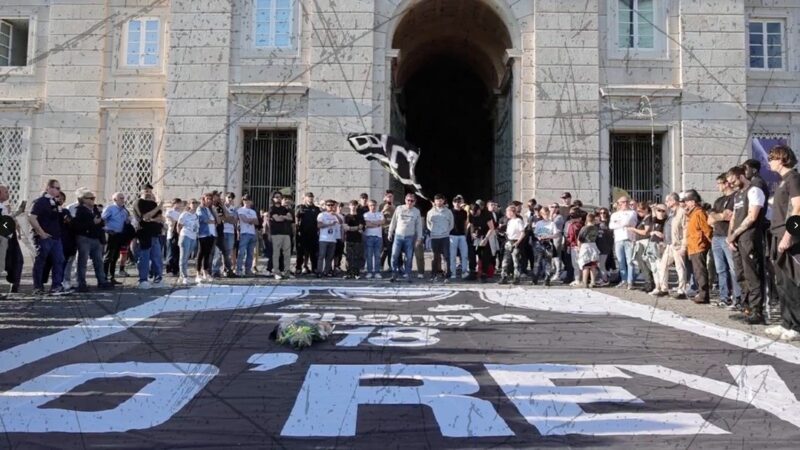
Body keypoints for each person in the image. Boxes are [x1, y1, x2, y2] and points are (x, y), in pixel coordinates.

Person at [765, 144, 800, 341]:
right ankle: (786, 321)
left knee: (791, 281)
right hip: (776, 234)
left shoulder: (793, 178)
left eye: (772, 157)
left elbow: (798, 208)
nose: (769, 161)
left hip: (788, 237)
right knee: (781, 282)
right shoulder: (782, 181)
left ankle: (796, 325)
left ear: (782, 159)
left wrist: (788, 236)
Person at [727, 165, 767, 323]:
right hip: (737, 239)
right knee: (740, 274)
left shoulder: (754, 190)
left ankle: (757, 311)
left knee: (753, 275)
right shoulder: (738, 195)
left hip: (750, 237)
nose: (732, 185)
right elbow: (734, 216)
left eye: (733, 181)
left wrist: (736, 233)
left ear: (741, 176)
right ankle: (747, 308)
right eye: (729, 183)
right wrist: (730, 236)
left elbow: (752, 216)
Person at [28, 179, 69, 296]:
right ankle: (38, 287)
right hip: (44, 237)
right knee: (41, 261)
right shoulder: (40, 201)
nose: (58, 191)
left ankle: (56, 286)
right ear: (48, 188)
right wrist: (41, 233)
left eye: (59, 188)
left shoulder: (55, 203)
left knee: (59, 261)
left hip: (56, 237)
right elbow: (32, 217)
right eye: (56, 188)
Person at [707, 174, 741, 307]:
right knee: (720, 269)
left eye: (719, 183)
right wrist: (720, 215)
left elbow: (733, 217)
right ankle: (724, 297)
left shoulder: (735, 197)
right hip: (716, 236)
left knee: (733, 268)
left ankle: (737, 297)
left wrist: (717, 216)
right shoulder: (719, 200)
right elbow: (710, 219)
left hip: (728, 236)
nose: (718, 186)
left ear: (726, 183)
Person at [72, 190, 113, 292]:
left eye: (93, 198)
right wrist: (92, 222)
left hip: (96, 238)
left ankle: (102, 281)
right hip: (84, 238)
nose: (93, 200)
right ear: (83, 200)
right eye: (90, 198)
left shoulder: (95, 209)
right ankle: (81, 283)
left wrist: (100, 221)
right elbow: (77, 225)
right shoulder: (80, 210)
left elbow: (101, 222)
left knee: (98, 261)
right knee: (82, 261)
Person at [654, 193, 689, 298]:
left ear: (673, 201)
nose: (666, 203)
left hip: (677, 244)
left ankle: (682, 290)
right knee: (663, 265)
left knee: (680, 267)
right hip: (669, 244)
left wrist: (684, 245)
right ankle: (664, 289)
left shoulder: (682, 212)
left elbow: (685, 229)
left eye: (667, 201)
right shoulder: (670, 213)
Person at [683, 190, 713, 304]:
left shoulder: (699, 213)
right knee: (697, 271)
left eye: (687, 201)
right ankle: (701, 293)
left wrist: (711, 242)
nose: (686, 204)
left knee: (700, 272)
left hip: (699, 246)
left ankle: (704, 295)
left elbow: (707, 230)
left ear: (693, 201)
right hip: (693, 246)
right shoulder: (692, 214)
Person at [133, 185, 164, 289]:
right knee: (144, 257)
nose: (148, 193)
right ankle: (143, 280)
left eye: (150, 191)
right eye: (146, 191)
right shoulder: (139, 202)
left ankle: (158, 278)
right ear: (141, 191)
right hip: (144, 233)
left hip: (155, 233)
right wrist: (158, 208)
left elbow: (160, 218)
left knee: (157, 257)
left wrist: (153, 217)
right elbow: (144, 217)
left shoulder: (153, 203)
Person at [388, 193, 423, 282]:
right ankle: (394, 273)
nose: (409, 202)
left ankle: (408, 274)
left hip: (410, 237)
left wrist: (419, 238)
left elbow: (419, 226)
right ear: (405, 200)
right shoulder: (399, 208)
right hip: (398, 236)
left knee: (409, 257)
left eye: (412, 201)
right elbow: (394, 221)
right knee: (394, 255)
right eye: (408, 200)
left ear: (414, 202)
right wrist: (390, 232)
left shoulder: (416, 211)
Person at [609, 196, 638, 289]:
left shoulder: (632, 212)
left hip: (629, 238)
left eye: (626, 201)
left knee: (630, 261)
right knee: (621, 261)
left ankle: (630, 281)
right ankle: (624, 280)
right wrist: (621, 224)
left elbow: (627, 221)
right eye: (622, 202)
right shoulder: (614, 214)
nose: (625, 203)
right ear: (618, 204)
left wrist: (618, 223)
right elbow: (611, 225)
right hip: (618, 239)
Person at [0, 184, 24, 295]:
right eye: (6, 192)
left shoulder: (4, 206)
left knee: (17, 260)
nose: (8, 194)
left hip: (9, 237)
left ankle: (14, 286)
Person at [427, 194, 454, 281]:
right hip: (434, 237)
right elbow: (428, 224)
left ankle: (447, 275)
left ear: (443, 201)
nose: (439, 202)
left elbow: (451, 224)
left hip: (445, 237)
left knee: (446, 256)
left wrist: (446, 231)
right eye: (437, 200)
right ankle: (433, 275)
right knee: (435, 257)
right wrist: (434, 231)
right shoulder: (430, 212)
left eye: (441, 200)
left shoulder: (448, 212)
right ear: (434, 201)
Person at [269, 194, 295, 280]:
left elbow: (290, 218)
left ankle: (287, 271)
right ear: (273, 199)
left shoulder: (284, 209)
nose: (278, 198)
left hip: (286, 234)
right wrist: (284, 217)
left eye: (280, 197)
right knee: (276, 254)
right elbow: (277, 219)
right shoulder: (272, 209)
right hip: (276, 234)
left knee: (287, 254)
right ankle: (276, 272)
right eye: (276, 197)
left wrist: (282, 216)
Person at [469, 202, 496, 283]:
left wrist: (486, 239)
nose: (475, 215)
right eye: (472, 214)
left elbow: (491, 228)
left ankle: (484, 273)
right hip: (477, 236)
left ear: (479, 210)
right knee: (474, 254)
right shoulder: (471, 215)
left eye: (476, 213)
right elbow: (471, 225)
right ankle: (473, 271)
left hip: (487, 235)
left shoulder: (486, 214)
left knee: (485, 255)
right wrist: (472, 233)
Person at [295, 192, 320, 275]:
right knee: (301, 252)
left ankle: (314, 268)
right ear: (305, 198)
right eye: (308, 197)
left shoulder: (316, 209)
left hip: (313, 233)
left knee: (314, 252)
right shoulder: (300, 207)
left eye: (312, 197)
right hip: (302, 233)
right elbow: (296, 216)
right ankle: (298, 268)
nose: (310, 199)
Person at [532, 206, 557, 286]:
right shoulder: (539, 223)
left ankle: (547, 279)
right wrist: (538, 237)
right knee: (537, 262)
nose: (546, 216)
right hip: (539, 244)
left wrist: (548, 237)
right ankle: (535, 278)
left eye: (547, 214)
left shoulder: (552, 223)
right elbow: (535, 233)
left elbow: (556, 234)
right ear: (541, 215)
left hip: (548, 244)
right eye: (544, 214)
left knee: (548, 262)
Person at [500, 205, 525, 284]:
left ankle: (516, 278)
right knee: (505, 261)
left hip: (515, 242)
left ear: (511, 212)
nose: (506, 213)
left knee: (516, 262)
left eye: (507, 211)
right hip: (509, 241)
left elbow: (523, 232)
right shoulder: (509, 221)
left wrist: (518, 242)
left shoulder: (518, 221)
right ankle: (504, 277)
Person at [317, 199, 342, 277]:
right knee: (322, 255)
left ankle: (326, 271)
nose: (330, 207)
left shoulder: (335, 215)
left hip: (333, 239)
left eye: (332, 205)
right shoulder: (322, 215)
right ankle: (319, 272)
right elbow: (319, 225)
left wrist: (336, 215)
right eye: (329, 205)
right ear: (325, 206)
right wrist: (329, 224)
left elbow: (341, 222)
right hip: (324, 239)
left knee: (330, 257)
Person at [195, 193, 217, 283]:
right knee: (201, 253)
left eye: (210, 199)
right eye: (207, 199)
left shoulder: (210, 209)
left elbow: (216, 221)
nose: (209, 200)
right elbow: (203, 219)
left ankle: (205, 271)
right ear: (203, 199)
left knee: (207, 254)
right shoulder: (200, 208)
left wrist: (212, 220)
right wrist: (212, 221)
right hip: (203, 234)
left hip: (211, 234)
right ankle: (198, 273)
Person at [449, 195, 470, 280]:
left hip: (462, 235)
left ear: (461, 203)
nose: (457, 203)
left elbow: (465, 224)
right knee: (452, 255)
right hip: (452, 235)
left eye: (459, 202)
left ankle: (464, 272)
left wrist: (465, 234)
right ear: (453, 203)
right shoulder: (450, 212)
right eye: (455, 202)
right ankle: (453, 272)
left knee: (464, 255)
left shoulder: (464, 212)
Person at [236, 195, 259, 277]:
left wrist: (250, 220)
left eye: (248, 199)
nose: (247, 201)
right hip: (244, 233)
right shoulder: (240, 210)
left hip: (252, 233)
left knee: (250, 253)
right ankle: (238, 269)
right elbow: (244, 219)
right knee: (241, 252)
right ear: (243, 201)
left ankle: (248, 270)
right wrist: (251, 220)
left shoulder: (253, 211)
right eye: (245, 199)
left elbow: (257, 222)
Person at [577, 212, 600, 287]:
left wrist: (579, 247)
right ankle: (593, 282)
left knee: (585, 265)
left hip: (585, 246)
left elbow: (580, 238)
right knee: (593, 265)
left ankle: (584, 282)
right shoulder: (596, 228)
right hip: (593, 245)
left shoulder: (584, 228)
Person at [343, 200, 365, 279]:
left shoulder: (360, 216)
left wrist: (351, 228)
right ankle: (349, 273)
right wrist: (356, 228)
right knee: (348, 257)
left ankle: (356, 273)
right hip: (349, 239)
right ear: (349, 206)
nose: (353, 207)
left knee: (357, 257)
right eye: (352, 205)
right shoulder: (346, 217)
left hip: (358, 239)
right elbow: (346, 228)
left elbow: (361, 227)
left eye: (355, 205)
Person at [363, 199, 384, 279]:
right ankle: (369, 271)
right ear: (368, 206)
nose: (373, 207)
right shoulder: (366, 214)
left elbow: (382, 222)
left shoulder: (380, 214)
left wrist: (373, 223)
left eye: (374, 205)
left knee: (377, 255)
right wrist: (377, 224)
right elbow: (367, 224)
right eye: (371, 205)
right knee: (369, 255)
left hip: (378, 236)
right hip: (369, 236)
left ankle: (377, 272)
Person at [164, 198, 182, 277]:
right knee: (170, 252)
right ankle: (169, 269)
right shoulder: (169, 212)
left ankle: (176, 269)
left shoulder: (181, 213)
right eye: (178, 203)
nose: (179, 205)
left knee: (177, 253)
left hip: (179, 234)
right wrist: (177, 222)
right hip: (171, 234)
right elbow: (170, 222)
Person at [594, 207, 613, 285]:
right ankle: (603, 278)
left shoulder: (610, 223)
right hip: (598, 246)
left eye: (604, 213)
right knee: (599, 264)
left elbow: (611, 236)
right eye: (600, 213)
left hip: (605, 246)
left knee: (601, 264)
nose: (602, 214)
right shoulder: (597, 224)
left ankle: (605, 280)